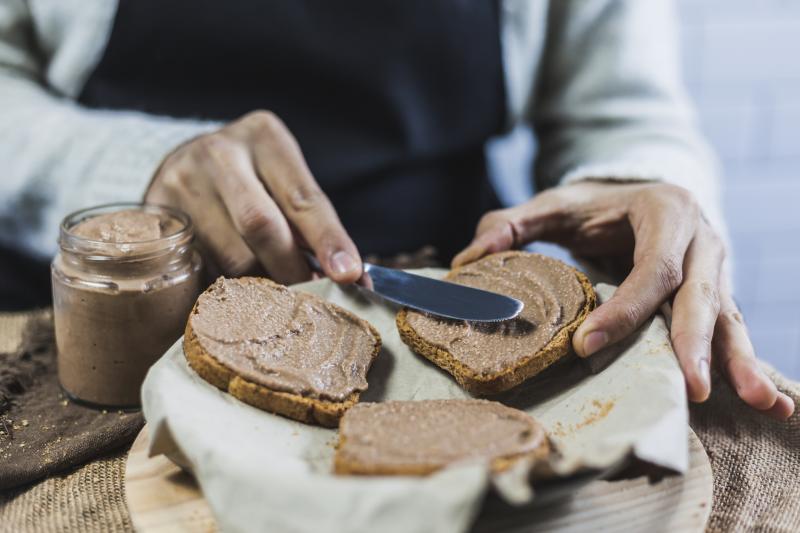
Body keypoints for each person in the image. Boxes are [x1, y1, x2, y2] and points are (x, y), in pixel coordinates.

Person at [0, 0, 792, 419]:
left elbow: (623, 109)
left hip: (443, 305)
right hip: (104, 315)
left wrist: (642, 182)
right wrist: (136, 175)